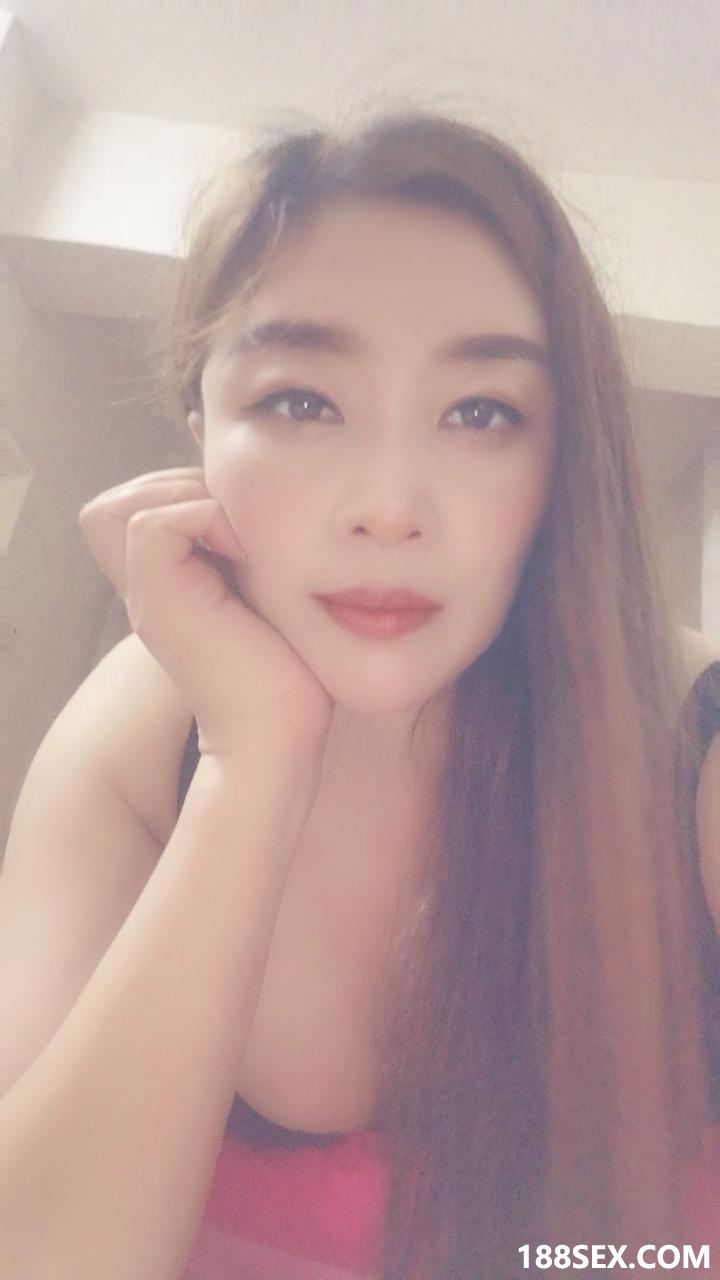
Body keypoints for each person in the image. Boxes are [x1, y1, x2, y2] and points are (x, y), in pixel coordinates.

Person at [0, 109, 718, 1280]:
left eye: (482, 411)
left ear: (561, 462)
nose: (389, 505)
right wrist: (250, 761)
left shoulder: (689, 739)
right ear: (200, 430)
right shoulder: (144, 725)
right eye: (301, 400)